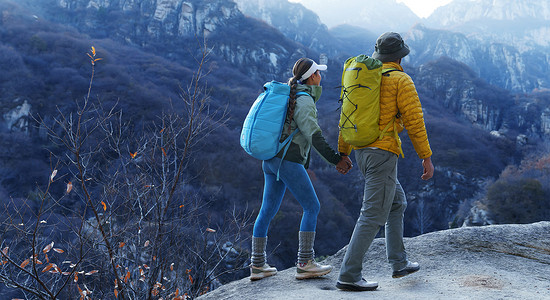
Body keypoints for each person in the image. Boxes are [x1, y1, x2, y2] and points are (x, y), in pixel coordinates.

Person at [335, 32, 435, 291]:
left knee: (396, 203)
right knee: (371, 214)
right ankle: (349, 275)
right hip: (382, 152)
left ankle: (399, 263)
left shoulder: (363, 77)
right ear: (401, 56)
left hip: (362, 150)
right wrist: (426, 156)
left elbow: (348, 115)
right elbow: (415, 121)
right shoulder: (400, 79)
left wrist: (343, 152)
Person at [250, 58, 353, 281]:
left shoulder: (290, 95)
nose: (321, 76)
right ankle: (305, 263)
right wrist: (336, 159)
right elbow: (314, 136)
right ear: (312, 77)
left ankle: (257, 265)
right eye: (319, 73)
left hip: (270, 159)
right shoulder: (304, 100)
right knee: (312, 206)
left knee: (267, 210)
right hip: (288, 160)